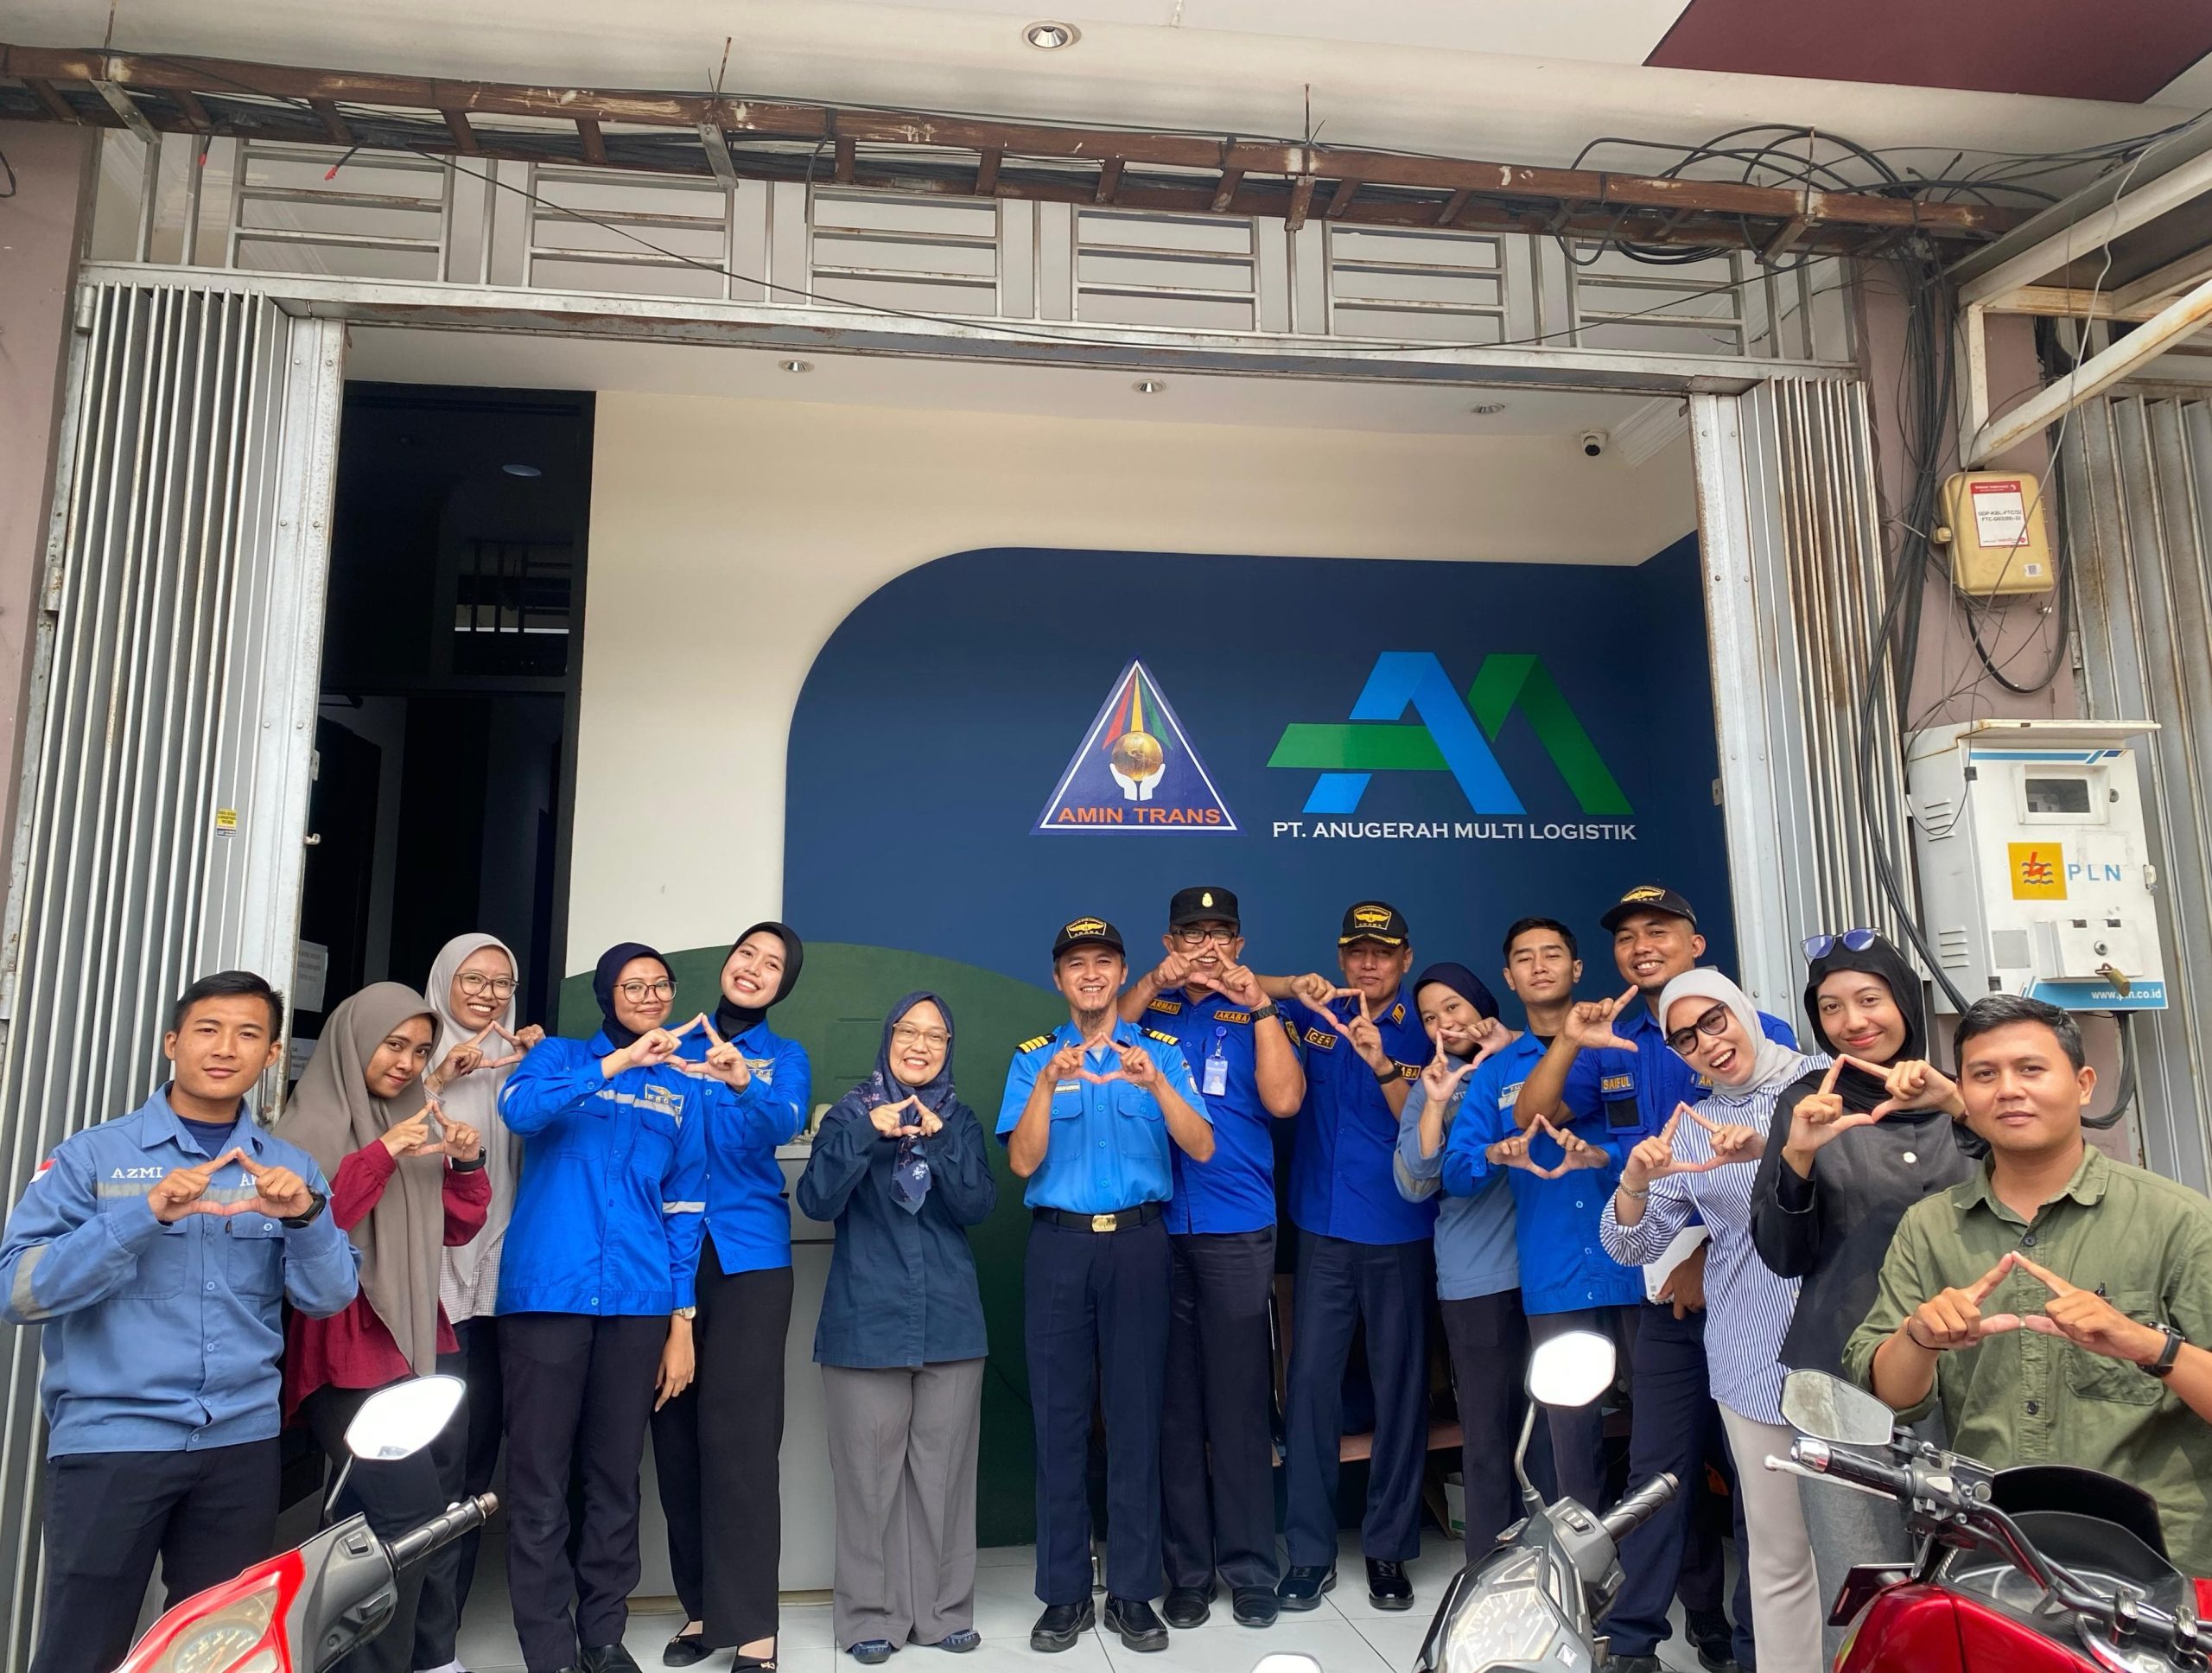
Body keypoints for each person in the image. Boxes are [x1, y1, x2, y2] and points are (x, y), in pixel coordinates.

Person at [0, 971, 359, 1673]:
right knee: (82, 1648)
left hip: (240, 1446)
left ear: (272, 1054)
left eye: (248, 1034)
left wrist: (308, 1218)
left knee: (218, 1651)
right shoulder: (93, 1156)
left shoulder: (290, 1170)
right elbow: (17, 1291)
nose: (225, 1048)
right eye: (208, 1029)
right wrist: (142, 1216)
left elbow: (329, 1298)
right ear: (172, 1042)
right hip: (113, 1442)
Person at [1516, 886, 1793, 1673]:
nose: (1643, 946)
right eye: (1628, 935)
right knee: (1658, 1470)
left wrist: (1706, 1254)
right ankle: (1636, 1640)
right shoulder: (1616, 1035)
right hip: (1656, 1276)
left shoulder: (1757, 1032)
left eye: (1660, 931)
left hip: (1747, 1285)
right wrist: (1569, 1042)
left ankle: (1750, 1643)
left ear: (1696, 944)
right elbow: (1533, 1116)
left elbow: (1784, 1174)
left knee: (1752, 1470)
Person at [1845, 995, 2212, 1576]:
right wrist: (1920, 1338)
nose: (2008, 1090)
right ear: (1963, 1093)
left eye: (2031, 1069)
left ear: (2083, 1085)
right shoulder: (1931, 1226)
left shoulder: (2178, 1220)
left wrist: (2147, 1345)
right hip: (1995, 1549)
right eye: (1984, 1075)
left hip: (2156, 1562)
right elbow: (1889, 1397)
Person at [1746, 930, 1975, 1657]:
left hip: (1973, 1371)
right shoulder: (1805, 1102)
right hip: (1841, 1374)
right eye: (1831, 1007)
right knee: (1863, 1585)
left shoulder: (1965, 1094)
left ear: (1905, 1001)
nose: (1853, 1021)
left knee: (1978, 1581)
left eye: (1869, 999)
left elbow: (2033, 1189)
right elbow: (1782, 1256)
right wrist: (1798, 1157)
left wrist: (1957, 1104)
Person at [496, 945, 715, 1673]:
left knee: (615, 1475)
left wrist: (680, 1320)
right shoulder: (557, 1057)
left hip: (638, 1300)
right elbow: (519, 1111)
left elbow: (684, 1208)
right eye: (633, 985)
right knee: (538, 1475)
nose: (650, 996)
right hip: (548, 1295)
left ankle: (602, 1635)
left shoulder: (681, 1088)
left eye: (661, 985)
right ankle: (548, 1648)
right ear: (606, 994)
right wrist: (616, 1065)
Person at [997, 916, 1214, 1655]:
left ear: (1122, 974)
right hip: (1059, 1247)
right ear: (1058, 979)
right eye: (1076, 964)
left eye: (1103, 962)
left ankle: (1131, 1592)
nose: (1090, 974)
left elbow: (1202, 1144)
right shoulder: (1033, 1059)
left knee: (1135, 1419)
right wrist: (1047, 1087)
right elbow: (1022, 1162)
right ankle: (1064, 1595)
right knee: (1058, 1422)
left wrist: (1157, 1086)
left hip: (1139, 1245)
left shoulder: (1160, 1053)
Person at [1600, 970, 1827, 1673]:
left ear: (1743, 1012)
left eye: (1715, 1020)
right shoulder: (1697, 1123)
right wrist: (1634, 1183)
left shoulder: (1827, 1082)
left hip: (1852, 1352)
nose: (1707, 1042)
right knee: (1779, 1552)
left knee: (1866, 1546)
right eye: (1685, 1038)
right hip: (1751, 1357)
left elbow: (1884, 1180)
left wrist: (1773, 1151)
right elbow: (1631, 1243)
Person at [274, 982, 492, 1673]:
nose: (407, 1062)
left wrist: (465, 1163)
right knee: (410, 1518)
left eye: (421, 1051)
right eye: (394, 1045)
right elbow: (315, 1227)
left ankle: (387, 1658)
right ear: (354, 1042)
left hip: (415, 1340)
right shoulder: (302, 1132)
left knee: (366, 1519)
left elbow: (455, 1228)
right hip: (344, 1351)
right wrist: (382, 1153)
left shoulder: (412, 1120)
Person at [1116, 886, 1304, 1629]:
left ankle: (1251, 1568)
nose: (1206, 947)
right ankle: (1188, 1573)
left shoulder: (1257, 1010)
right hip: (1155, 1225)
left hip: (1236, 1227)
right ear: (1170, 943)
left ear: (1239, 943)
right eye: (1191, 935)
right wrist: (1152, 982)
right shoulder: (1151, 1008)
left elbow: (1285, 1102)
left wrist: (1260, 1005)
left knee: (1239, 1405)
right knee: (1174, 1409)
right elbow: (1098, 1034)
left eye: (1220, 933)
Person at [797, 993, 996, 1664]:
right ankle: (868, 1619)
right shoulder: (846, 1115)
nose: (920, 1045)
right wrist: (866, 1132)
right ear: (887, 1038)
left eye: (935, 1036)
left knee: (944, 1478)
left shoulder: (959, 1118)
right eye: (909, 1031)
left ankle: (942, 1614)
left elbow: (977, 1203)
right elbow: (816, 1199)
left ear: (948, 1048)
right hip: (867, 1320)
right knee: (867, 1482)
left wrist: (938, 1141)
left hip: (949, 1321)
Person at [1259, 900, 1436, 1614]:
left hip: (1400, 1233)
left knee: (1401, 1392)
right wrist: (1292, 985)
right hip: (1322, 1232)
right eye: (1357, 951)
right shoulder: (1318, 1013)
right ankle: (1309, 1552)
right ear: (1340, 957)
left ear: (1405, 958)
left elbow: (1429, 1127)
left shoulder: (1429, 1027)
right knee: (1309, 1393)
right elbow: (1242, 984)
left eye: (1383, 952)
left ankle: (1389, 1549)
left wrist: (1386, 1063)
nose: (1369, 963)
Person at [654, 924, 813, 1671]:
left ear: (783, 985)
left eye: (772, 964)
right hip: (667, 1255)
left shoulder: (785, 1057)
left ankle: (752, 1625)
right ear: (726, 964)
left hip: (749, 1259)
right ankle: (702, 1610)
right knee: (675, 1437)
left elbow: (785, 1121)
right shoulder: (668, 1045)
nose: (755, 968)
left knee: (741, 1443)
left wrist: (742, 1077)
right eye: (747, 954)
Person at [1440, 919, 1629, 1520]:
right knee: (1572, 1446)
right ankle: (1583, 1572)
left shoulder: (1619, 1044)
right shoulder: (1498, 1071)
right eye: (1525, 958)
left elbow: (1658, 1136)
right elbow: (1457, 1170)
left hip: (1638, 1264)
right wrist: (1494, 1155)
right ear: (1508, 977)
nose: (1540, 966)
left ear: (1578, 968)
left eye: (1553, 954)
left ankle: (1677, 1580)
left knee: (1665, 1432)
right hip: (1556, 1274)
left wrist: (1606, 1155)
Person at [413, 932, 545, 1673]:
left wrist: (541, 1069)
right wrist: (437, 1075)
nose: (489, 994)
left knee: (473, 1467)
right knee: (426, 1464)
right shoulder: (411, 1055)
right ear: (444, 981)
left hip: (500, 1288)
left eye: (502, 982)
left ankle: (441, 1640)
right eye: (474, 978)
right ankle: (409, 1641)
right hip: (428, 1286)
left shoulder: (521, 1066)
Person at [1392, 961, 1535, 1558]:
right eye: (1430, 1017)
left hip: (1551, 1272)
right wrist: (1434, 1104)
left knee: (1557, 1430)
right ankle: (1490, 1569)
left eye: (1453, 1007)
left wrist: (1510, 1051)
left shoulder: (1531, 1058)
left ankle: (1561, 1566)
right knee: (1487, 1434)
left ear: (1482, 1004)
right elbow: (1413, 1183)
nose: (1444, 1024)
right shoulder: (1432, 1086)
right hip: (1476, 1277)